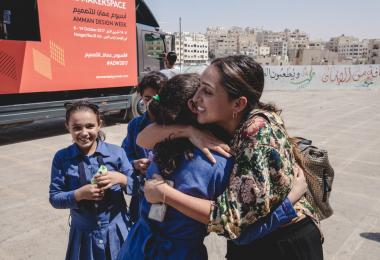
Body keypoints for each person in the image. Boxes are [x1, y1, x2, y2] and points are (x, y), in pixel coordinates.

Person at [139, 55, 323, 260]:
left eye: (207, 91)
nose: (195, 97)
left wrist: (163, 192)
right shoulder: (225, 117)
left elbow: (228, 220)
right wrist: (188, 130)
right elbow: (142, 138)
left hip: (283, 243)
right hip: (254, 238)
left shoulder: (256, 134)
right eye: (199, 86)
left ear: (238, 104)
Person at [49, 101, 133, 260]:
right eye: (76, 127)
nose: (84, 132)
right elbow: (54, 198)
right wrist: (79, 194)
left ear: (99, 124)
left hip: (117, 232)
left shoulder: (117, 153)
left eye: (90, 126)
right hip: (84, 235)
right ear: (67, 127)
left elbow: (137, 187)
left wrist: (121, 179)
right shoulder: (62, 158)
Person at [121, 71, 168, 222]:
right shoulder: (135, 125)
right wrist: (134, 163)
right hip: (141, 192)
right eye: (147, 98)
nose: (152, 103)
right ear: (141, 97)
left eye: (158, 98)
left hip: (168, 193)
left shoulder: (174, 125)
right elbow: (123, 155)